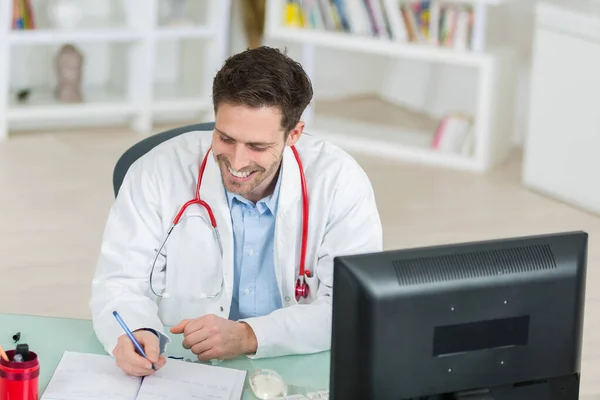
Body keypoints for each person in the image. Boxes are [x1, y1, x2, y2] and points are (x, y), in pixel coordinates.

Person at [89, 46, 383, 377]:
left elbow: (349, 308)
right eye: (226, 138)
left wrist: (249, 336)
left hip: (291, 365)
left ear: (294, 134)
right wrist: (136, 331)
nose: (237, 162)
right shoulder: (157, 171)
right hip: (180, 371)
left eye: (257, 146)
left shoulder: (340, 182)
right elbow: (120, 282)